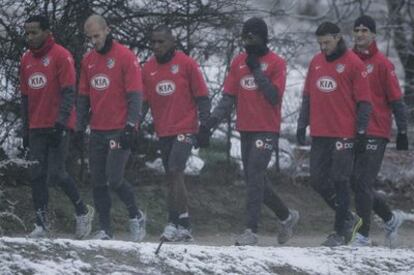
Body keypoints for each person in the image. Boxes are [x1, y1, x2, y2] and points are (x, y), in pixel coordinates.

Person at [202, 17, 299, 246]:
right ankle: (286, 216)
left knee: (255, 173)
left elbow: (273, 96)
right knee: (255, 180)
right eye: (244, 38)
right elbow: (228, 98)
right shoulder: (238, 63)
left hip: (266, 129)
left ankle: (250, 231)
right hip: (245, 129)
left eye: (251, 37)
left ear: (263, 37)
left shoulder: (277, 63)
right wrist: (209, 123)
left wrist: (257, 71)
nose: (247, 42)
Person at [296, 22, 372, 246]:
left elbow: (365, 103)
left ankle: (340, 232)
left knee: (340, 180)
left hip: (344, 134)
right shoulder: (316, 62)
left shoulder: (353, 63)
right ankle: (349, 217)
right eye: (320, 43)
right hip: (320, 132)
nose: (323, 47)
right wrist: (302, 124)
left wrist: (360, 131)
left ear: (338, 38)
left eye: (326, 42)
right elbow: (307, 97)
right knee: (318, 180)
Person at [19, 15, 94, 239]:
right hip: (36, 126)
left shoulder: (62, 56)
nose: (30, 37)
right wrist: (25, 129)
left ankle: (83, 211)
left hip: (58, 125)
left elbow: (69, 92)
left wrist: (60, 123)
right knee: (36, 174)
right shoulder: (26, 60)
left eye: (34, 32)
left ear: (47, 32)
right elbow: (24, 97)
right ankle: (41, 224)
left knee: (57, 173)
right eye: (27, 33)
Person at [76, 14, 145, 241]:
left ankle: (136, 215)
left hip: (119, 128)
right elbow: (84, 95)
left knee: (114, 178)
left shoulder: (125, 57)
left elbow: (136, 95)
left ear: (107, 30)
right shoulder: (88, 60)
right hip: (97, 129)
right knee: (97, 180)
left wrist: (130, 126)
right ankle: (106, 229)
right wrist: (79, 126)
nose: (94, 40)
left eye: (97, 35)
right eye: (90, 37)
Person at [141, 25, 210, 242]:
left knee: (175, 168)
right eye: (153, 42)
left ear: (172, 42)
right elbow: (143, 102)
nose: (156, 46)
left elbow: (203, 97)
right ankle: (184, 222)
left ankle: (173, 222)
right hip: (164, 129)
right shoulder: (148, 69)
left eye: (161, 42)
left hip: (185, 127)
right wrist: (133, 126)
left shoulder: (186, 64)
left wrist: (205, 126)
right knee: (171, 176)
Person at [350, 15, 409, 247]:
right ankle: (390, 218)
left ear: (373, 34)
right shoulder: (348, 61)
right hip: (351, 131)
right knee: (352, 182)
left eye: (365, 30)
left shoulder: (383, 64)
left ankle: (362, 235)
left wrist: (402, 130)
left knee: (362, 182)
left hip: (376, 130)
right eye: (357, 30)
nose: (360, 34)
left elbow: (396, 100)